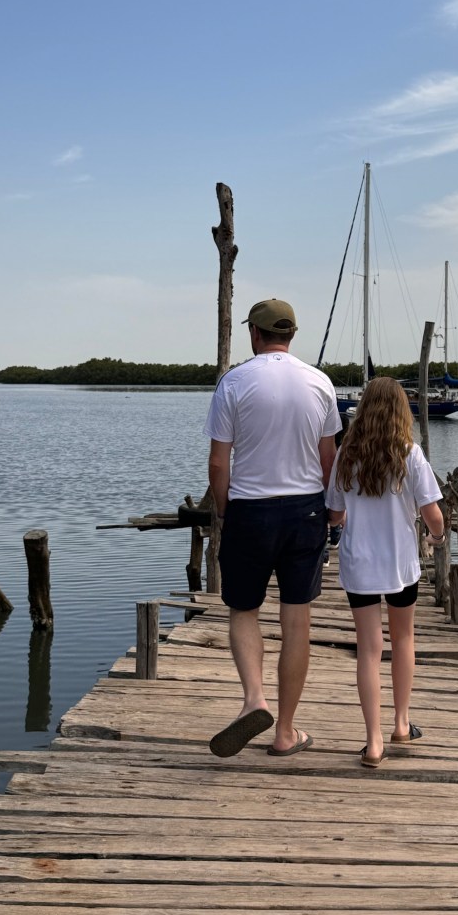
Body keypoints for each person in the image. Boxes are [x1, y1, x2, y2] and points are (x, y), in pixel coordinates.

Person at [204, 298, 341, 758]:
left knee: (243, 609)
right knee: (296, 618)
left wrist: (224, 512)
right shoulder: (320, 382)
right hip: (305, 510)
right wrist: (330, 512)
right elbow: (329, 461)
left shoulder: (235, 382)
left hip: (250, 509)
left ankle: (253, 701)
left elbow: (218, 463)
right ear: (292, 335)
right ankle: (285, 730)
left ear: (255, 335)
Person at [325, 376, 445, 768]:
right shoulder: (410, 453)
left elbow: (335, 512)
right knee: (403, 638)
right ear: (400, 410)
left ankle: (373, 743)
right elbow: (434, 515)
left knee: (368, 649)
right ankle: (401, 723)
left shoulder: (347, 454)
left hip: (359, 562)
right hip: (400, 564)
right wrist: (437, 536)